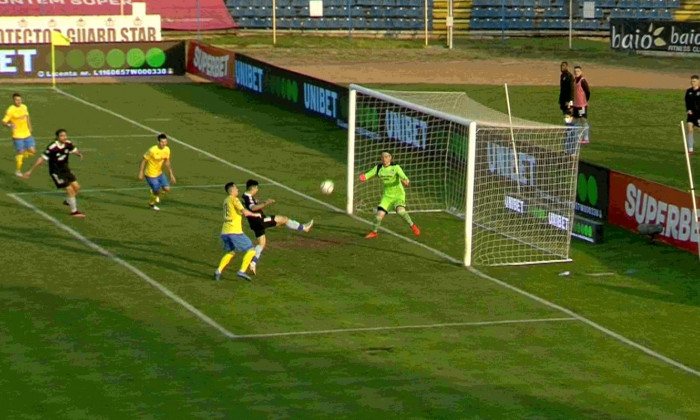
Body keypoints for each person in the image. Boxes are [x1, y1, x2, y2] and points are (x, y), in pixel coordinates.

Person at [242, 179, 313, 274]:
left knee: (262, 244)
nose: (257, 190)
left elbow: (254, 202)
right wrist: (266, 203)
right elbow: (253, 207)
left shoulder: (245, 195)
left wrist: (262, 201)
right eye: (257, 188)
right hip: (260, 221)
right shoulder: (248, 198)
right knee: (284, 219)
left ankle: (253, 263)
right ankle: (304, 228)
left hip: (254, 224)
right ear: (253, 188)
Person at [22, 129, 86, 218]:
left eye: (65, 135)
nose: (64, 137)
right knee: (70, 190)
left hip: (65, 169)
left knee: (77, 187)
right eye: (62, 136)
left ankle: (68, 201)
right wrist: (30, 171)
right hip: (56, 172)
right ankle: (74, 211)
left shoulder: (68, 144)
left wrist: (78, 153)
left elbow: (73, 150)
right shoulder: (52, 147)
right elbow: (41, 159)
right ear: (57, 137)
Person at [359, 151, 420, 239]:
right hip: (387, 196)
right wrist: (364, 177)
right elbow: (369, 174)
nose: (384, 159)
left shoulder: (396, 167)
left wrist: (405, 180)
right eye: (383, 157)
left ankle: (412, 225)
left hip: (398, 195)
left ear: (390, 158)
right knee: (378, 216)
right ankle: (374, 232)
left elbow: (404, 176)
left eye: (387, 157)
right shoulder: (378, 168)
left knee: (401, 211)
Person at [215, 182, 262, 282]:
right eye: (236, 188)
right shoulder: (234, 199)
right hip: (235, 231)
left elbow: (239, 211)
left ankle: (218, 271)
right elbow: (244, 212)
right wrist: (256, 215)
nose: (237, 190)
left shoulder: (226, 200)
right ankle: (242, 271)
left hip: (225, 232)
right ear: (231, 190)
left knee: (231, 252)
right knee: (251, 250)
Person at [137, 133, 176, 211]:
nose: (163, 144)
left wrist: (171, 174)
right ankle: (151, 204)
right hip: (150, 175)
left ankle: (154, 192)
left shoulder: (167, 149)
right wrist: (141, 172)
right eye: (162, 142)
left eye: (165, 142)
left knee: (167, 189)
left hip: (159, 173)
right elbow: (144, 160)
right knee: (157, 191)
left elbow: (167, 162)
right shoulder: (152, 150)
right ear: (158, 142)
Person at [3, 93, 35, 177]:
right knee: (21, 152)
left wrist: (30, 127)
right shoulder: (10, 110)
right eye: (17, 100)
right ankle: (18, 171)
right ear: (13, 100)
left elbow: (27, 117)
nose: (19, 101)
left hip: (27, 133)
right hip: (17, 135)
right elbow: (4, 122)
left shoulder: (24, 107)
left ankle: (19, 157)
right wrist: (10, 125)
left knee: (32, 151)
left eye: (20, 100)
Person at [573, 65, 591, 145]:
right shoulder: (575, 80)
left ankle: (586, 138)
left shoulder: (583, 81)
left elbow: (588, 91)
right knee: (575, 120)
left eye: (578, 71)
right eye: (575, 71)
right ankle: (577, 137)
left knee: (583, 120)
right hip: (576, 105)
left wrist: (585, 101)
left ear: (581, 72)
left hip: (581, 105)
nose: (576, 73)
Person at [685, 74, 700, 155]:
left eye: (694, 81)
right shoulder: (689, 91)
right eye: (691, 81)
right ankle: (690, 149)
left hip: (699, 115)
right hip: (691, 115)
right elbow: (687, 102)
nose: (692, 83)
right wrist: (688, 110)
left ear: (698, 81)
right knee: (690, 130)